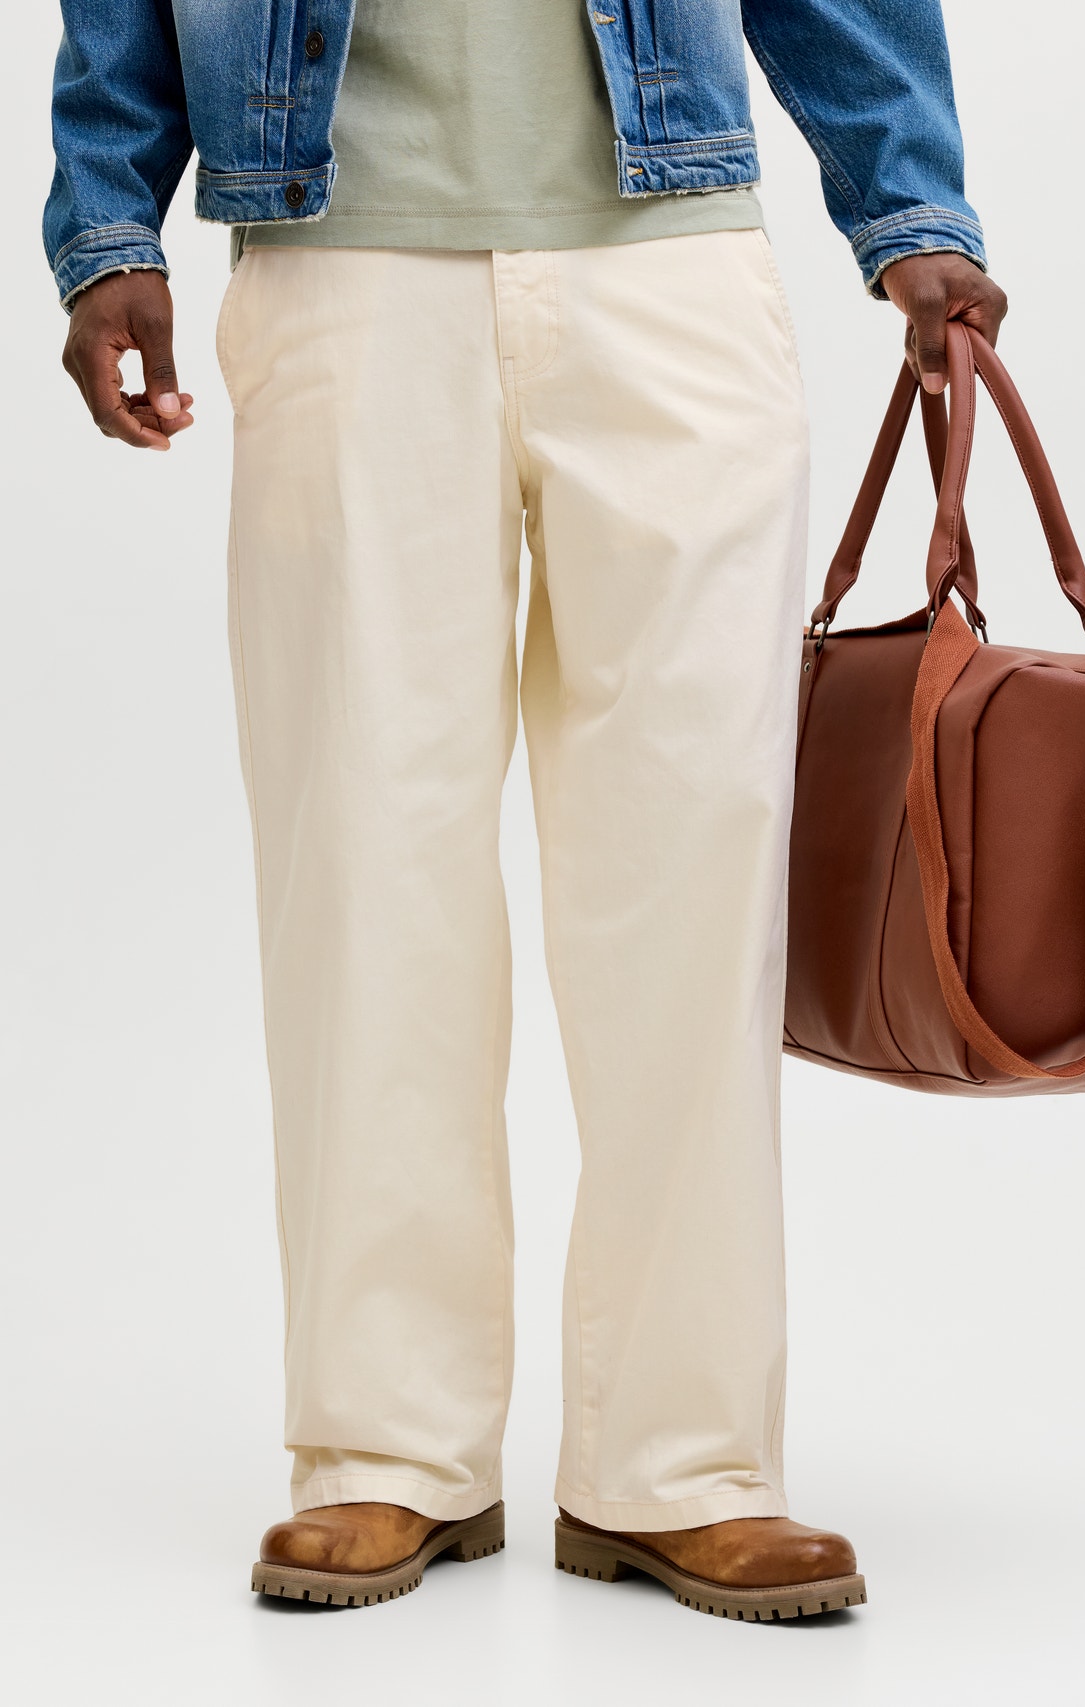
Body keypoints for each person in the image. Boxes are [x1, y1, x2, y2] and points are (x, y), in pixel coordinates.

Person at [45, 0, 1006, 1621]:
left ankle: (684, 1467)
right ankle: (385, 1450)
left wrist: (911, 207)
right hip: (345, 266)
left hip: (672, 274)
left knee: (693, 886)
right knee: (364, 872)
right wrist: (106, 218)